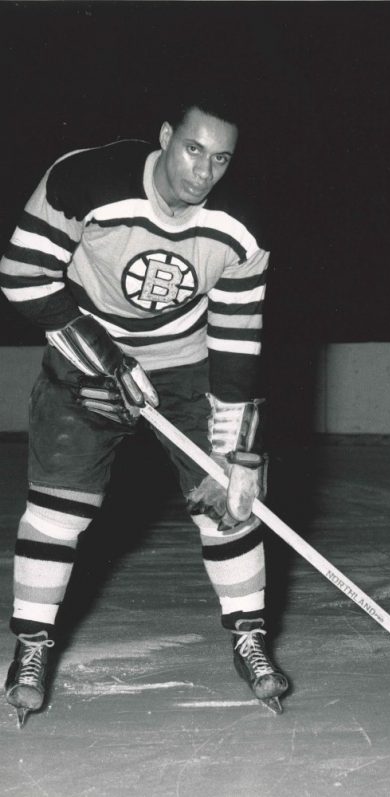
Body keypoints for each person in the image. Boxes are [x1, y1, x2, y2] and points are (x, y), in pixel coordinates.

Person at [0, 90, 288, 726]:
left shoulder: (243, 229)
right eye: (192, 149)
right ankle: (32, 646)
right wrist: (105, 358)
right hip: (85, 353)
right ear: (164, 136)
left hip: (187, 366)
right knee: (57, 509)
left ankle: (250, 637)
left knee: (228, 503)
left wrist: (237, 447)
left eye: (220, 160)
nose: (202, 172)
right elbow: (23, 277)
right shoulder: (84, 180)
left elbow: (237, 342)